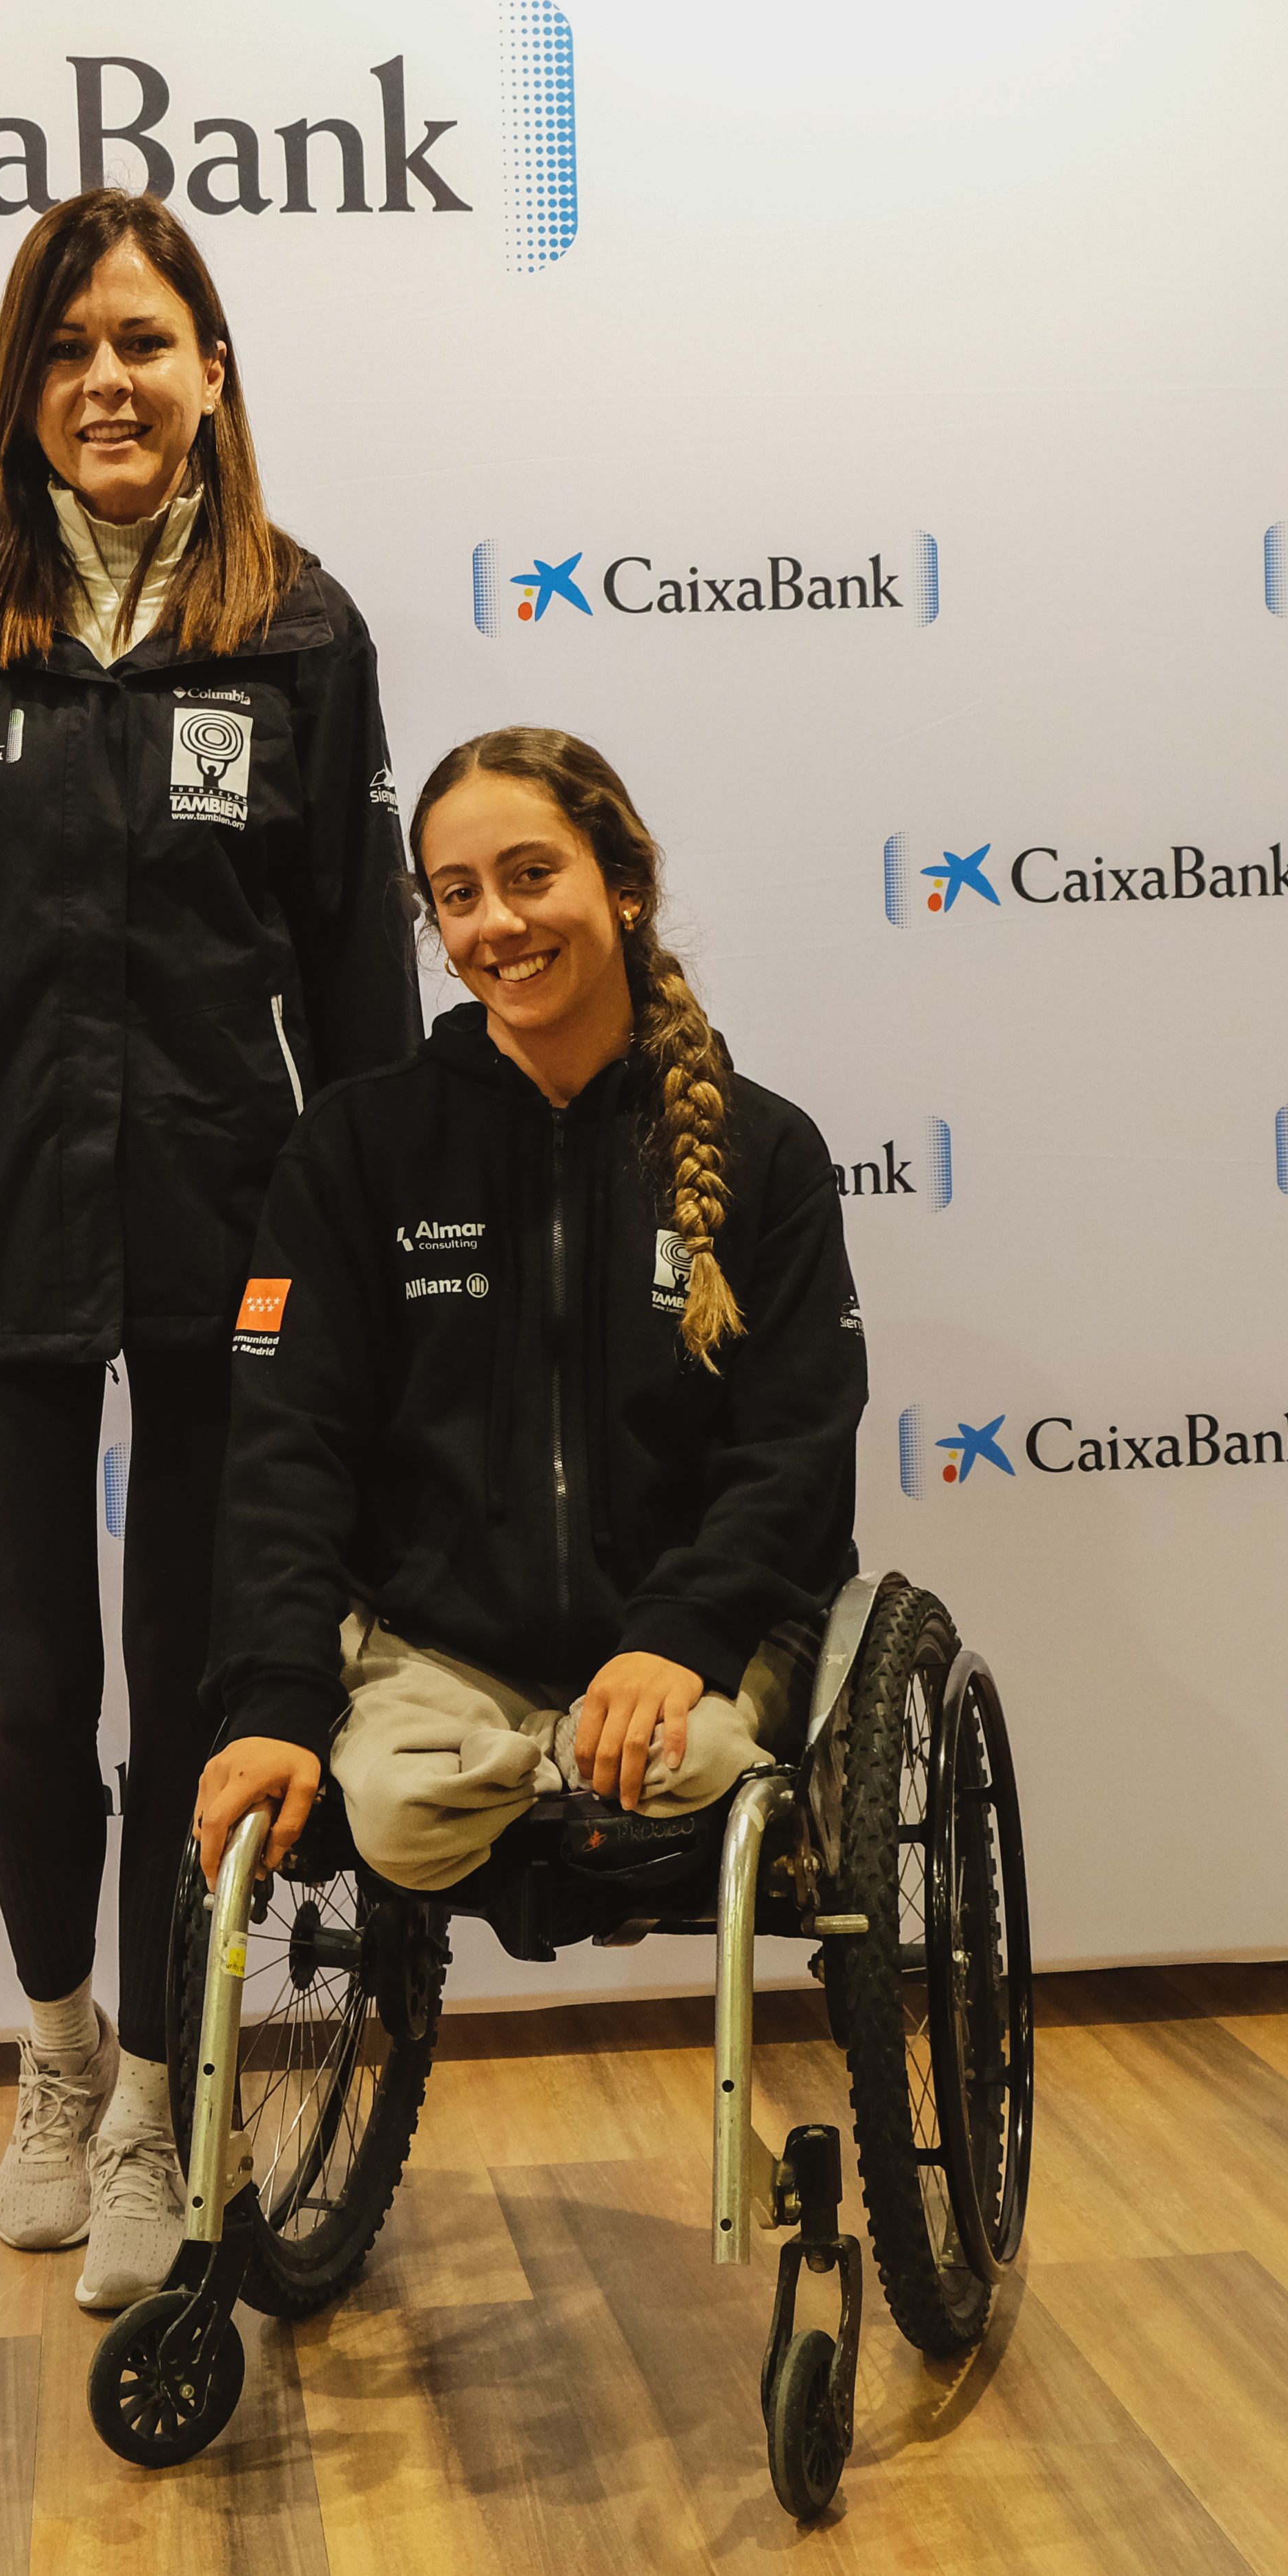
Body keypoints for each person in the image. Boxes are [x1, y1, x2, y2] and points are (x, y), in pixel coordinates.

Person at [0, 191, 417, 2313]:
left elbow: (359, 1000)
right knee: (33, 1706)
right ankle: (54, 2052)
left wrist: (372, 1271)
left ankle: (166, 2098)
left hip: (237, 1245)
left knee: (202, 1707)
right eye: (69, 350)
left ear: (213, 372)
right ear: (25, 388)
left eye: (144, 342)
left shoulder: (299, 631)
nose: (109, 382)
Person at [192, 728, 867, 1917]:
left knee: (683, 1770)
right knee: (397, 1815)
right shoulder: (358, 1147)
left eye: (530, 876)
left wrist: (681, 1635)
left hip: (690, 1645)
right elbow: (285, 1451)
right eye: (459, 897)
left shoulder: (767, 1149)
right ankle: (534, 1756)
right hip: (439, 1653)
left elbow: (797, 1445)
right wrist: (277, 1700)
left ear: (625, 883)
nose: (496, 923)